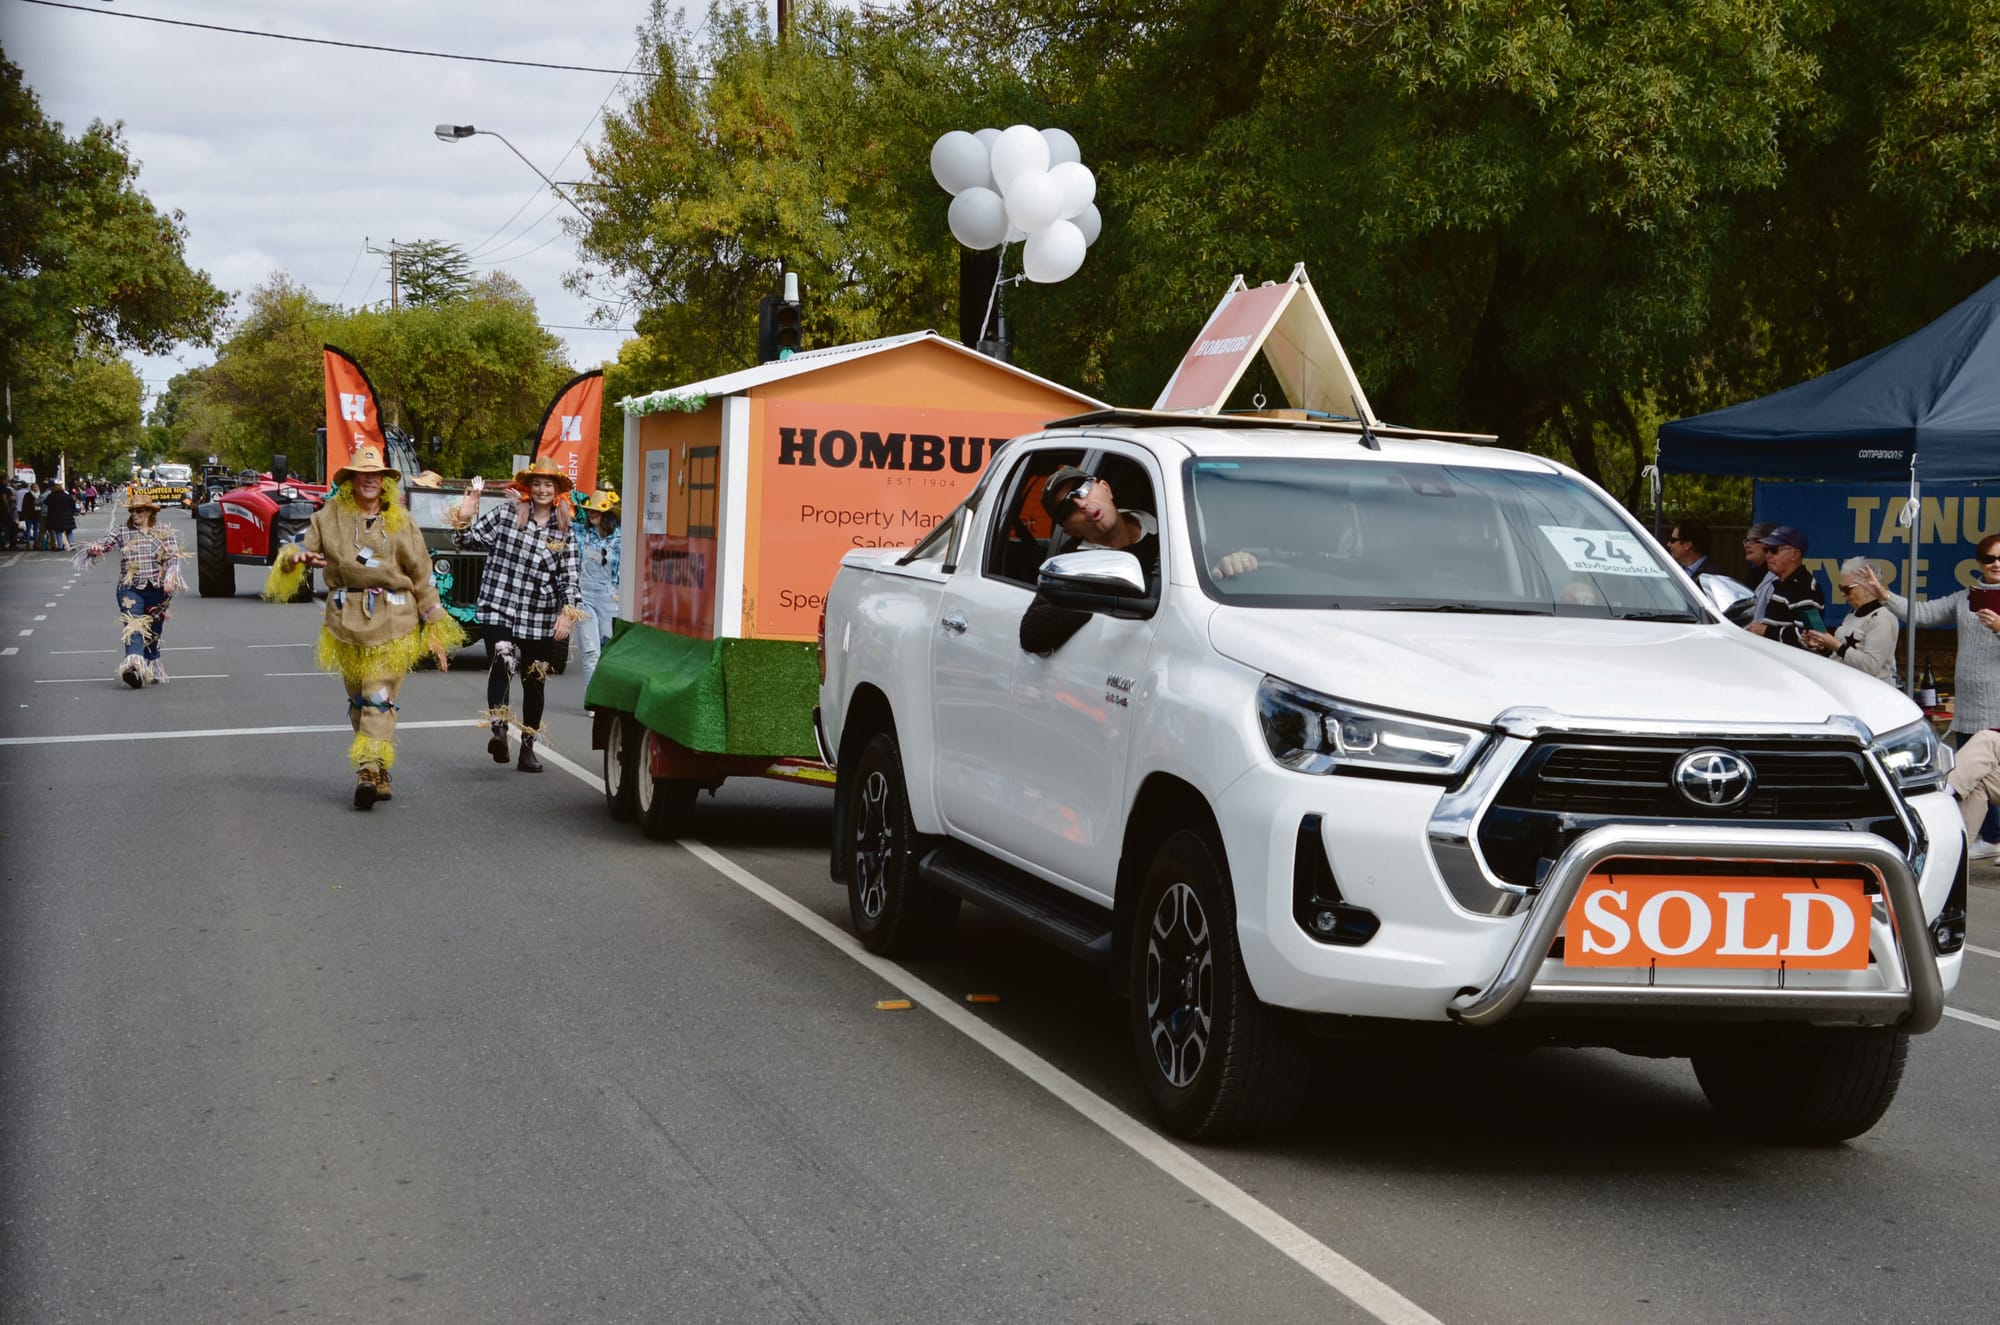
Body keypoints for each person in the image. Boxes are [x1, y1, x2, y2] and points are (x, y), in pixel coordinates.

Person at [264, 444, 465, 809]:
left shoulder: (402, 522)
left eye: (376, 475)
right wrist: (295, 559)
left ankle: (368, 769)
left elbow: (422, 575)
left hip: (395, 621)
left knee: (377, 697)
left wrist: (435, 623)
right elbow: (297, 549)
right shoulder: (329, 516)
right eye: (363, 475)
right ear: (352, 480)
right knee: (359, 702)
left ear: (384, 481)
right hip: (345, 622)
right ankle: (379, 769)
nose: (370, 480)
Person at [451, 457, 583, 773]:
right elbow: (465, 541)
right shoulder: (506, 514)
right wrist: (464, 515)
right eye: (537, 484)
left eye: (548, 484)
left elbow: (569, 579)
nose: (542, 489)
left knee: (534, 680)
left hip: (539, 615)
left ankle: (527, 749)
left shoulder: (565, 530)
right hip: (499, 605)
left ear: (557, 491)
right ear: (529, 487)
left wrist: (567, 614)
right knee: (502, 658)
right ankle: (499, 729)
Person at [1856, 532, 2000, 745]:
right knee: (1965, 766)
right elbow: (1923, 613)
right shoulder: (1964, 598)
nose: (1996, 564)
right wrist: (1883, 594)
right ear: (1979, 562)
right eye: (1989, 558)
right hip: (1968, 713)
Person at [75, 489, 183, 687]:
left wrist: (172, 574)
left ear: (149, 512)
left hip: (157, 589)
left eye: (139, 511)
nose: (135, 514)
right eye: (132, 511)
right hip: (129, 588)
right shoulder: (122, 530)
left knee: (153, 629)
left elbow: (174, 556)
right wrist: (94, 549)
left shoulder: (163, 532)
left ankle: (150, 663)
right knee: (134, 625)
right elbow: (105, 543)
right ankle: (133, 667)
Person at [1805, 557, 1899, 684]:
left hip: (1868, 690)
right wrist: (1823, 646)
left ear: (1866, 586)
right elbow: (1842, 656)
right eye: (1841, 588)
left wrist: (1836, 645)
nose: (1843, 594)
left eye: (1847, 589)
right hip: (1844, 686)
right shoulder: (1852, 614)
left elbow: (1871, 666)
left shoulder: (1882, 619)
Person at [574, 488, 621, 699]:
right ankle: (592, 699)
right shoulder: (580, 533)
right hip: (584, 598)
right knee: (590, 650)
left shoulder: (621, 537)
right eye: (589, 510)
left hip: (611, 599)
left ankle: (608, 699)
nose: (592, 513)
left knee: (609, 651)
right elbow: (559, 520)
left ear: (607, 513)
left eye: (597, 510)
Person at [1744, 526, 1823, 650]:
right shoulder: (1782, 584)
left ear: (1794, 554)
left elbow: (1814, 636)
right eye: (1766, 550)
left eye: (1774, 550)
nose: (1768, 556)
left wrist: (1765, 630)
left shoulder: (1804, 588)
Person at [40, 480, 76, 552]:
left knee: (58, 531)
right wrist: (71, 513)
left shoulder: (51, 496)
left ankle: (60, 546)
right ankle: (72, 546)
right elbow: (73, 506)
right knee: (69, 531)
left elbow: (46, 503)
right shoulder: (67, 496)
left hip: (56, 517)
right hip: (68, 517)